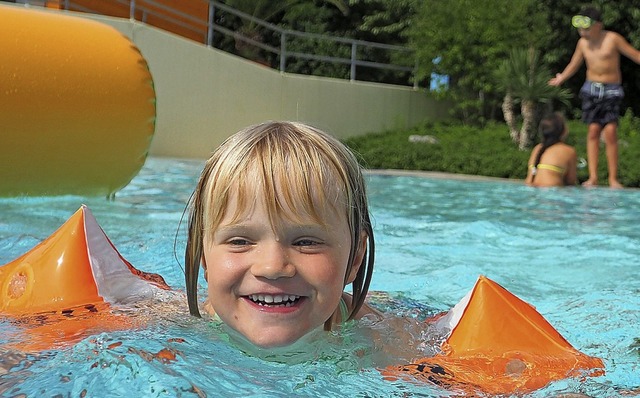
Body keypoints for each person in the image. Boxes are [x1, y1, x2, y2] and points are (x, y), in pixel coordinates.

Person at [183, 121, 381, 349]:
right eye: (240, 241)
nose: (272, 267)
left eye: (306, 242)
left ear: (355, 258)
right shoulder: (178, 328)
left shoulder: (382, 339)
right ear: (205, 259)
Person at [549, 5, 640, 188]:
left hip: (611, 90)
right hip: (591, 89)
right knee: (592, 132)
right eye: (581, 29)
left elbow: (635, 54)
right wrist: (561, 78)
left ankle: (613, 178)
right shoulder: (583, 44)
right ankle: (593, 177)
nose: (583, 32)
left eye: (587, 28)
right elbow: (574, 64)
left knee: (611, 132)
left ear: (599, 25)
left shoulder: (612, 39)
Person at [525, 113, 578, 187]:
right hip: (552, 193)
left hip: (530, 189)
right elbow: (571, 181)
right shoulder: (568, 151)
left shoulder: (537, 148)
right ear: (562, 131)